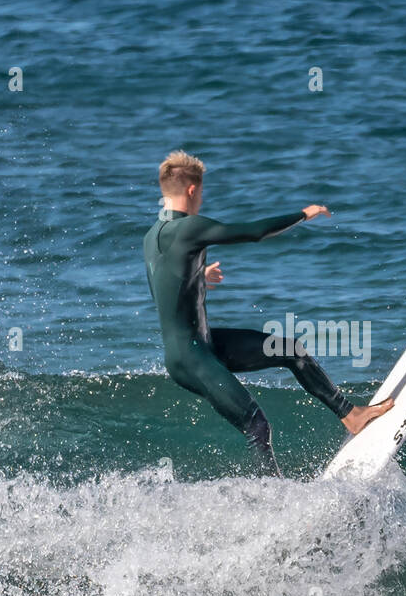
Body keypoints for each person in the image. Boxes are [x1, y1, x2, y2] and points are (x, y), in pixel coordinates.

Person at [142, 150, 392, 475]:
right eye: (201, 192)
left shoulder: (152, 237)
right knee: (256, 426)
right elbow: (253, 231)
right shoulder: (189, 228)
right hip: (191, 357)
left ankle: (351, 415)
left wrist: (197, 277)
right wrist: (304, 213)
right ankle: (276, 499)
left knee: (292, 351)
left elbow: (161, 286)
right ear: (192, 190)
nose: (201, 198)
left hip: (200, 345)